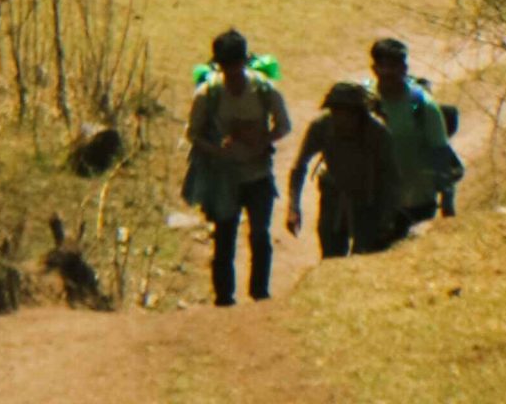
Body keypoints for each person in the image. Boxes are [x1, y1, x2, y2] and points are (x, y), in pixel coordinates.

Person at [187, 27, 290, 305]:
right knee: (224, 240)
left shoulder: (264, 90)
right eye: (226, 67)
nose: (232, 73)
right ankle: (224, 299)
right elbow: (192, 134)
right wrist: (216, 150)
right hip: (224, 178)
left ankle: (260, 295)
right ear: (218, 65)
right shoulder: (208, 94)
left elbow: (284, 125)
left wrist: (262, 140)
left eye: (236, 65)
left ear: (245, 61)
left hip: (258, 174)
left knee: (260, 235)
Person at [284, 79, 402, 257]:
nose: (341, 119)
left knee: (364, 258)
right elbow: (299, 166)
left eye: (347, 114)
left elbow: (392, 178)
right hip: (333, 200)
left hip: (368, 203)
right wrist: (293, 208)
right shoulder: (322, 127)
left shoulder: (378, 133)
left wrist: (387, 218)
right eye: (336, 112)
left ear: (359, 114)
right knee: (331, 258)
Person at [368, 36, 461, 234]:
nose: (391, 72)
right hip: (375, 202)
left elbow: (440, 151)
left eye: (396, 66)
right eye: (385, 66)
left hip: (418, 201)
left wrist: (447, 199)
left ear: (405, 68)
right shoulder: (364, 102)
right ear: (374, 68)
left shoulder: (422, 105)